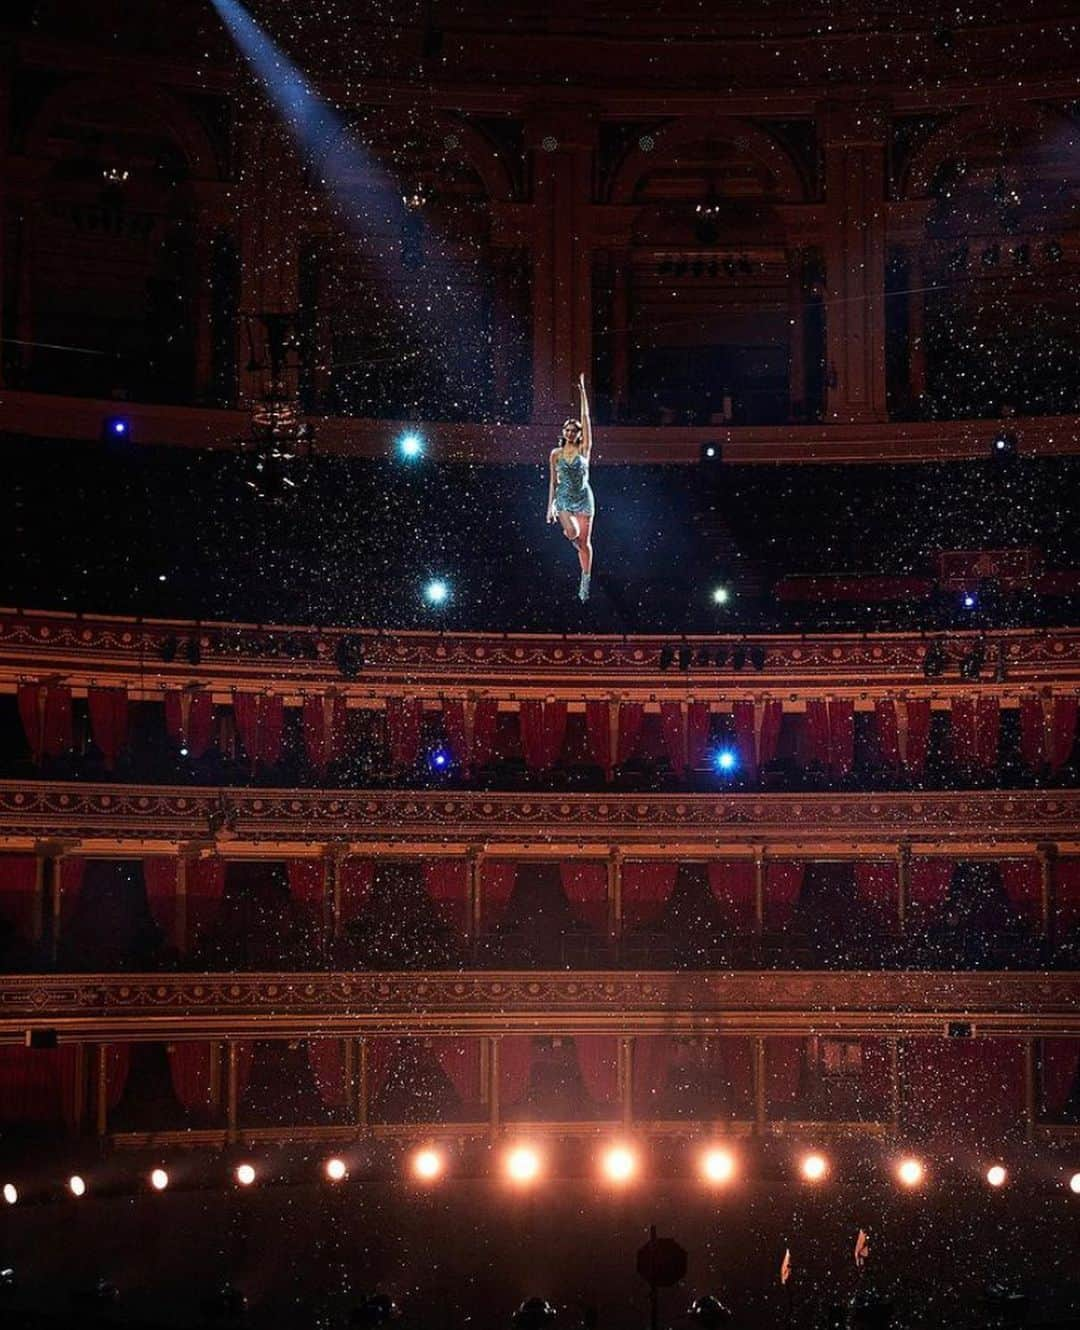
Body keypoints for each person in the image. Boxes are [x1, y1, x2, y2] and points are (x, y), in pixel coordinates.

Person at [547, 372, 595, 601]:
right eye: (567, 429)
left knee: (585, 544)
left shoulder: (584, 449)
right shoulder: (555, 454)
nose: (570, 432)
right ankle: (572, 538)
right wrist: (550, 507)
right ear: (563, 432)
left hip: (584, 498)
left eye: (574, 430)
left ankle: (585, 579)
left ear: (578, 435)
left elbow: (585, 418)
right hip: (564, 498)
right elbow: (552, 481)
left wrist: (583, 392)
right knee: (573, 533)